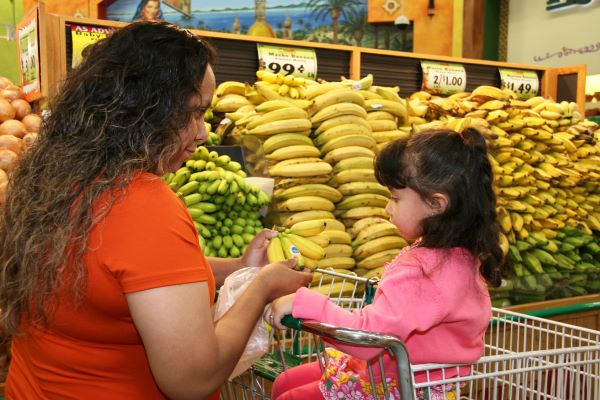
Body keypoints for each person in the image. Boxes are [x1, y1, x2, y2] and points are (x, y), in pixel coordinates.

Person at [0, 21, 311, 399]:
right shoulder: (144, 203)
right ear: (144, 109)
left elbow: (117, 275)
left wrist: (236, 269)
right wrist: (262, 288)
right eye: (194, 113)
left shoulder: (56, 178)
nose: (204, 133)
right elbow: (191, 379)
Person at [266, 128, 505, 399]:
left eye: (395, 198)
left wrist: (304, 304)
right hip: (413, 376)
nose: (388, 208)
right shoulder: (459, 256)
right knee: (286, 381)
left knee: (287, 394)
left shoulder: (425, 272)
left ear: (436, 204)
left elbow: (369, 340)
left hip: (401, 386)